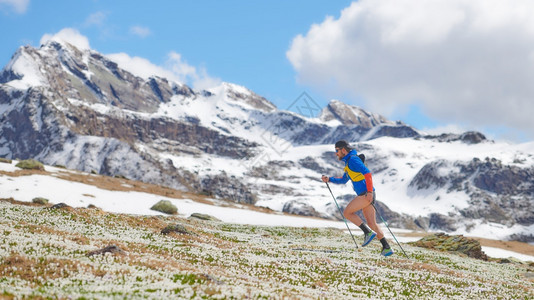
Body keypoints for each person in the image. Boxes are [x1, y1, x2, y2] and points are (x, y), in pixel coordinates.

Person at [321, 140, 394, 257]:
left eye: (337, 151)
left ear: (343, 150)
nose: (336, 154)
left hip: (366, 194)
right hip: (368, 194)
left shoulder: (353, 160)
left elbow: (368, 174)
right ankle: (386, 247)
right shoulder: (348, 163)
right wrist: (329, 179)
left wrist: (369, 192)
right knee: (372, 223)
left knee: (347, 213)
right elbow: (343, 180)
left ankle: (367, 233)